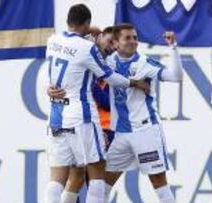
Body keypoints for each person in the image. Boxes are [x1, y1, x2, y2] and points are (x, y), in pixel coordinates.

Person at [44, 5, 149, 203]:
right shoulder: (88, 48)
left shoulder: (53, 40)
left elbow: (51, 72)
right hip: (81, 116)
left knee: (58, 177)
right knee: (97, 170)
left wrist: (48, 89)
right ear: (88, 25)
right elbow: (109, 77)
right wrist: (135, 83)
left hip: (56, 115)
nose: (111, 46)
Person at [104, 24, 183, 203]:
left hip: (145, 131)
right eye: (127, 38)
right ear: (116, 42)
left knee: (159, 184)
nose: (133, 42)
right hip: (121, 134)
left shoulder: (145, 63)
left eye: (135, 37)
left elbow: (176, 76)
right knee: (102, 185)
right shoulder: (108, 62)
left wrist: (173, 47)